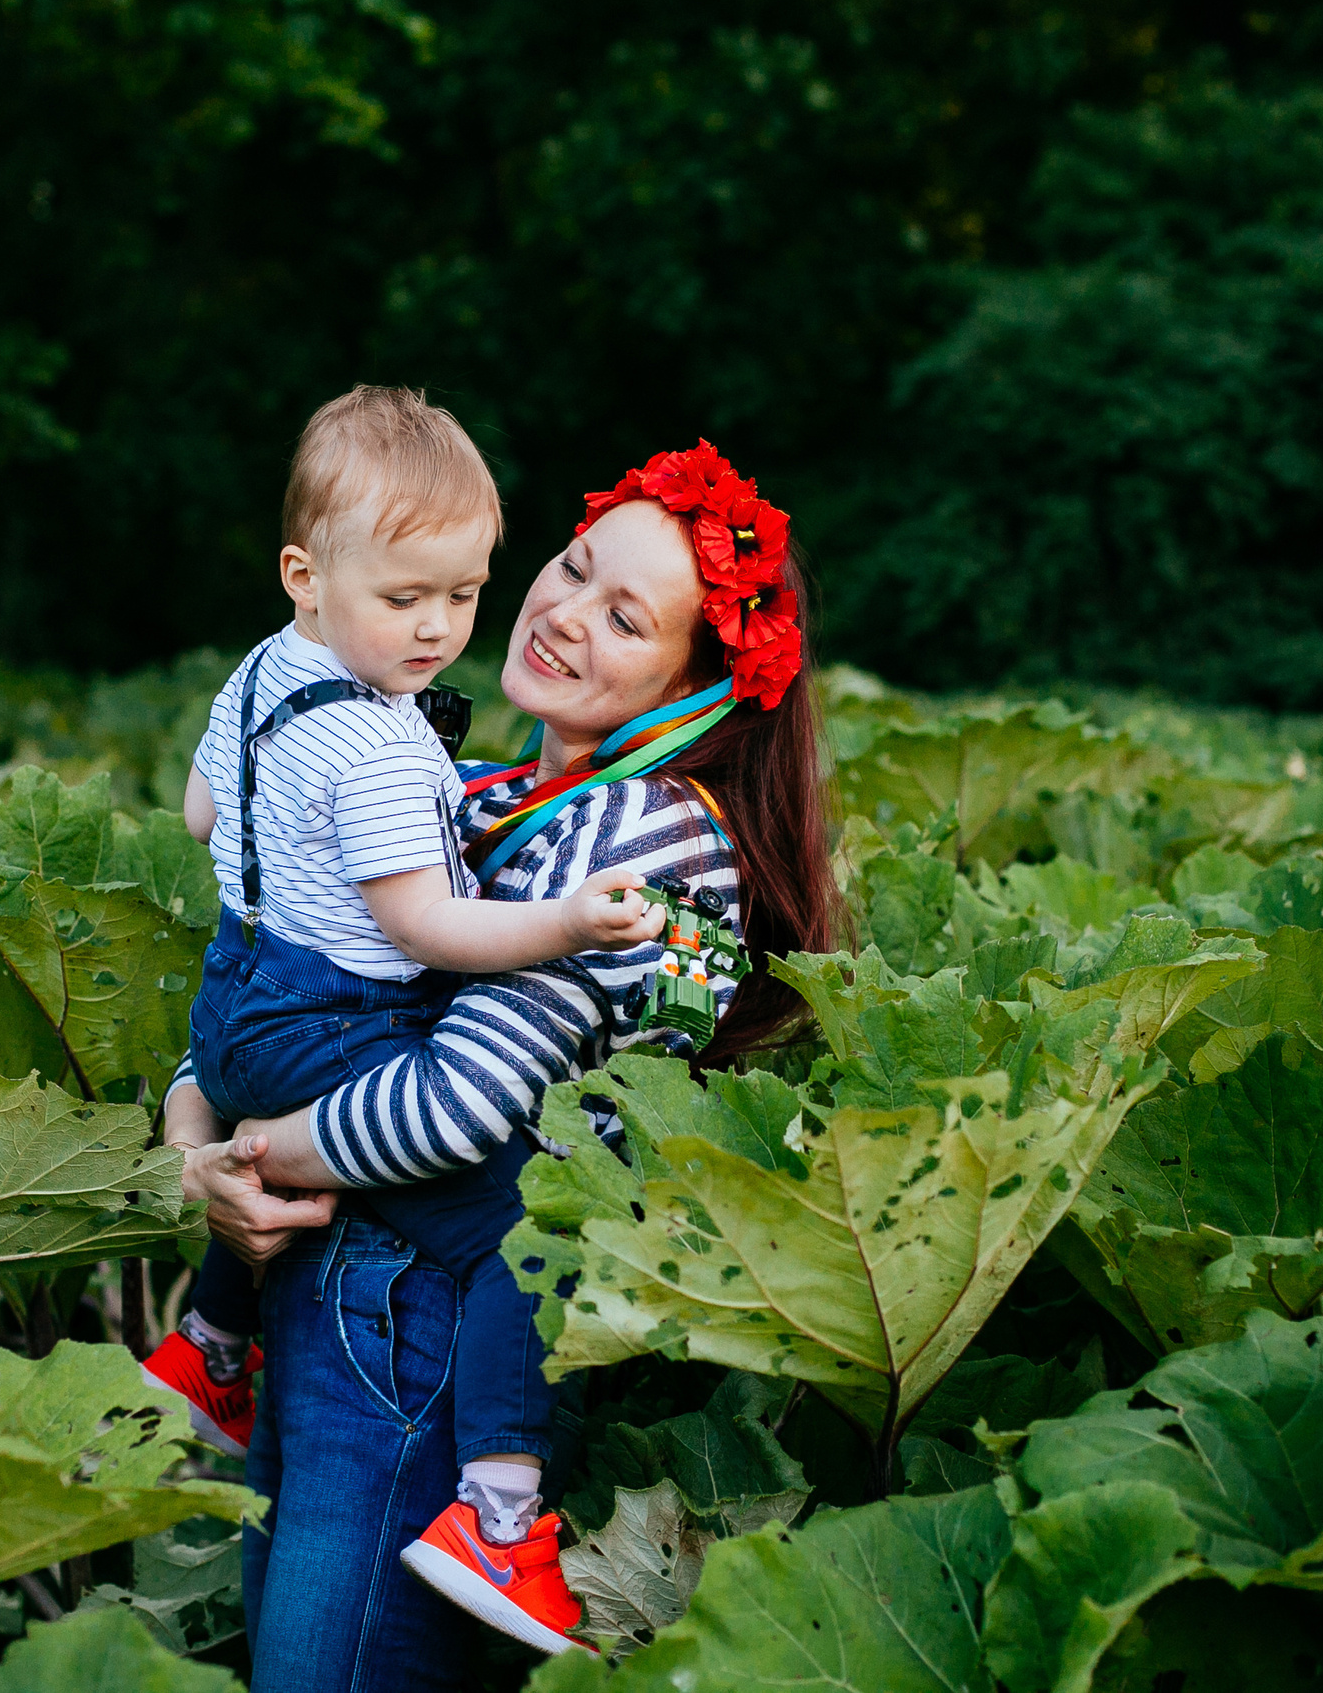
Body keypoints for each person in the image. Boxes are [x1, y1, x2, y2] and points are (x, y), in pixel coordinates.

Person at [168, 438, 837, 1690]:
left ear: (698, 685)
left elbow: (455, 1104)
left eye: (627, 616)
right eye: (575, 568)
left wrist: (240, 1156)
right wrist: (193, 1141)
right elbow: (282, 974)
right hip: (330, 1280)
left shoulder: (637, 831)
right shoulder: (464, 780)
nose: (566, 613)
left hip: (421, 1321)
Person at [139, 387, 669, 1646]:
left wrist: (221, 1126)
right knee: (536, 1222)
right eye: (574, 569)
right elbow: (430, 945)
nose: (447, 627)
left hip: (252, 1013)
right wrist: (567, 922)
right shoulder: (392, 750)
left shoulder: (270, 670)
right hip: (328, 1112)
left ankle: (208, 1342)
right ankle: (503, 1512)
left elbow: (207, 822)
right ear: (306, 576)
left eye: (627, 613)